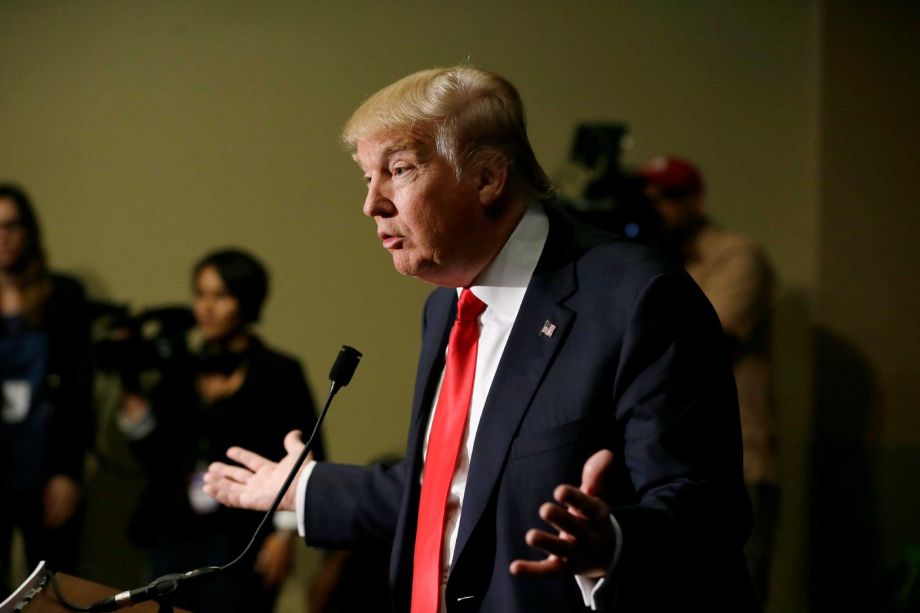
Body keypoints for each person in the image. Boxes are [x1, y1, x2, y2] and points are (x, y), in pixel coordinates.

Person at [204, 66, 754, 612]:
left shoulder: (637, 298)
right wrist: (307, 489)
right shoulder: (446, 304)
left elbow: (706, 512)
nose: (372, 204)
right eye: (366, 177)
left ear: (488, 178)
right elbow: (455, 489)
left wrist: (611, 544)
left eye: (398, 169)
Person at [117, 248, 322, 612]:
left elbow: (303, 452)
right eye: (200, 294)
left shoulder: (279, 372)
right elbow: (159, 456)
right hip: (173, 530)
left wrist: (284, 534)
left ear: (246, 301)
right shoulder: (179, 369)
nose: (206, 308)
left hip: (241, 537)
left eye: (221, 295)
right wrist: (136, 416)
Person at [639, 155, 779, 609]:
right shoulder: (646, 260)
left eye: (670, 197)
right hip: (666, 470)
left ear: (695, 200)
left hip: (738, 466)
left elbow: (700, 341)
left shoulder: (736, 255)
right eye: (650, 198)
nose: (659, 208)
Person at [0, 184, 93, 593]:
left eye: (12, 226)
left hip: (44, 464)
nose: (3, 236)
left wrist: (68, 472)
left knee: (51, 588)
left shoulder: (63, 296)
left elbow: (79, 389)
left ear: (29, 231)